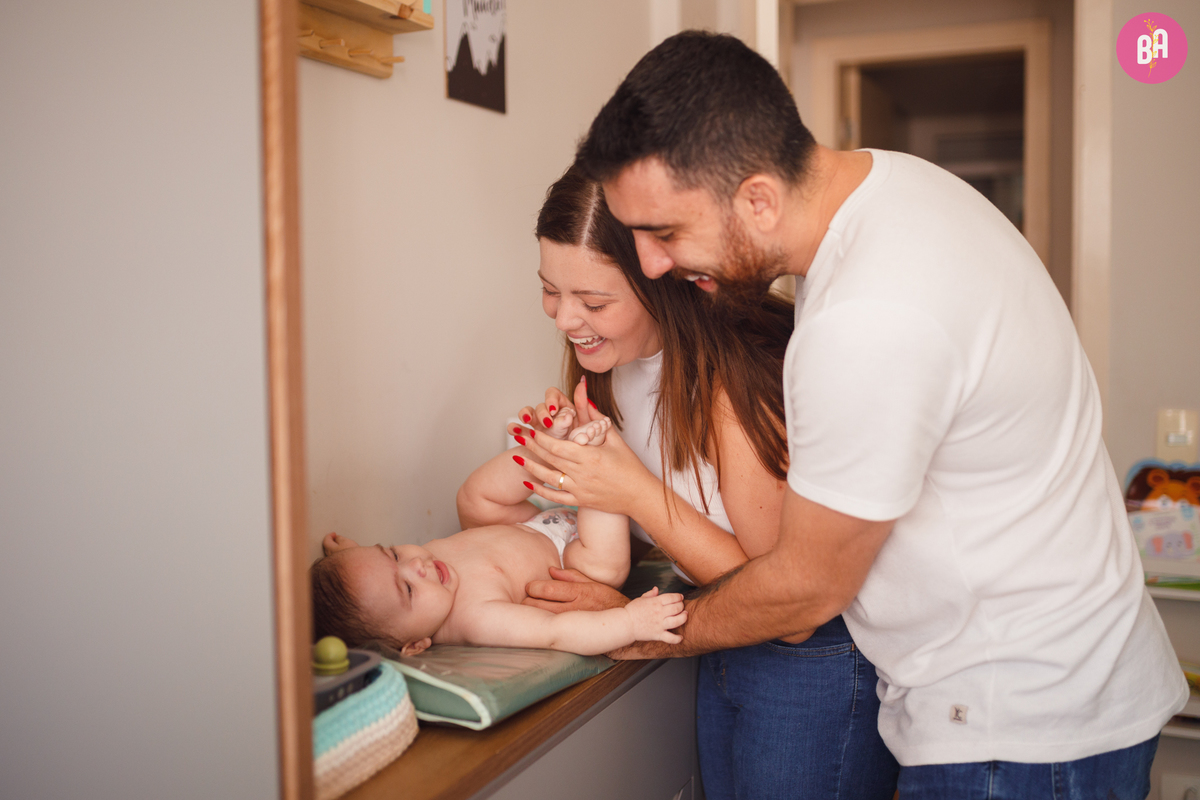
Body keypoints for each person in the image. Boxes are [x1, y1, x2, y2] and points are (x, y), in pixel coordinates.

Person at [517, 31, 1188, 799]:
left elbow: (804, 591)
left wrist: (637, 631)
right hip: (1055, 689)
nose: (656, 264)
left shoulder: (866, 318)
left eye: (666, 233)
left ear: (759, 198)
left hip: (1021, 725)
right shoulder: (900, 189)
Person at [514, 164, 898, 799]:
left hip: (810, 659)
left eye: (594, 301)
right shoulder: (610, 363)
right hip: (716, 632)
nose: (564, 318)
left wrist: (630, 490)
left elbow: (785, 597)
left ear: (659, 287)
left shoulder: (734, 379)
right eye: (550, 290)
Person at [309, 416, 688, 657]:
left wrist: (346, 555)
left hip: (529, 524)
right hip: (572, 556)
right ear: (415, 645)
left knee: (472, 498)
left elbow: (372, 579)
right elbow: (556, 632)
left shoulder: (405, 577)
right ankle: (594, 468)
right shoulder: (476, 619)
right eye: (407, 590)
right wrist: (630, 624)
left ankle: (545, 453)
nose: (417, 567)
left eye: (392, 553)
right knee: (602, 567)